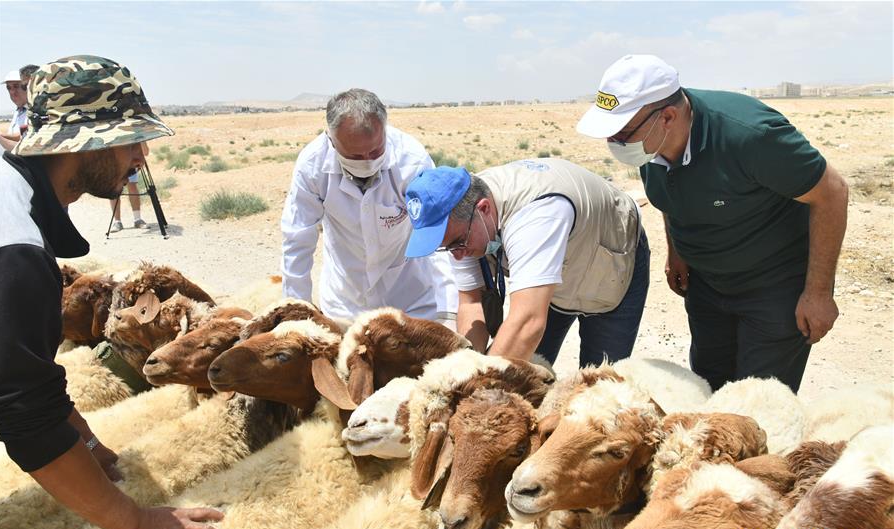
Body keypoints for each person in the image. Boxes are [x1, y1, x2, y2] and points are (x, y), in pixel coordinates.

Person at [0, 56, 223, 529]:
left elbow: (18, 370)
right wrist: (138, 522)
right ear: (88, 142)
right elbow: (24, 416)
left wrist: (84, 436)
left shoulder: (7, 187)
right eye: (132, 141)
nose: (141, 157)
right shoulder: (12, 245)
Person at [576, 54, 849, 392]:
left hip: (774, 287)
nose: (615, 144)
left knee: (757, 402)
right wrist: (676, 251)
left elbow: (832, 194)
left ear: (668, 117)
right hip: (708, 286)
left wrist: (818, 293)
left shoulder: (751, 136)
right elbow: (672, 196)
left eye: (622, 134)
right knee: (708, 388)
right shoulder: (649, 143)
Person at [403, 159, 649, 367]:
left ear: (484, 209)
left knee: (599, 384)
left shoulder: (535, 217)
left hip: (611, 262)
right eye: (447, 248)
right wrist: (468, 366)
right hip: (554, 277)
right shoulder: (460, 220)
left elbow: (529, 321)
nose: (457, 255)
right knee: (522, 369)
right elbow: (471, 303)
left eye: (458, 243)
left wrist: (480, 388)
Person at [281, 88, 457, 323]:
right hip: (345, 304)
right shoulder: (313, 166)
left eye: (376, 151)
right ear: (331, 140)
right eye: (354, 156)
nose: (367, 161)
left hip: (411, 300)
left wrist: (448, 313)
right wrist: (296, 317)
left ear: (384, 130)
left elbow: (436, 235)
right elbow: (297, 239)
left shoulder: (411, 161)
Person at [0, 64, 38, 152]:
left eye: (16, 86)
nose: (12, 92)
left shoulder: (35, 111)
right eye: (9, 88)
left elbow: (23, 138)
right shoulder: (19, 111)